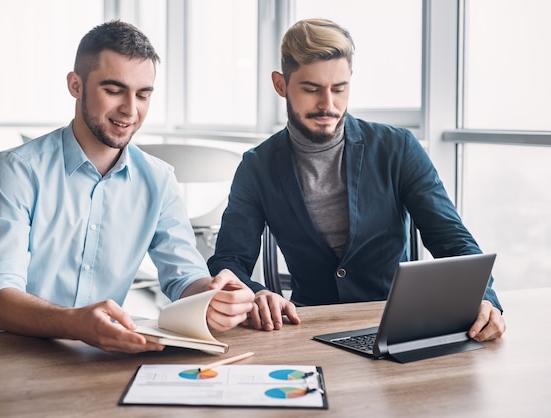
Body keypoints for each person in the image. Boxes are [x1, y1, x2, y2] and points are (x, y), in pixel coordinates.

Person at [207, 18, 506, 342]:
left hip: (397, 326)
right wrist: (254, 293)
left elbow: (452, 239)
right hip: (307, 326)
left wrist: (484, 298)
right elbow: (229, 259)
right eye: (311, 89)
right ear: (281, 85)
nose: (328, 105)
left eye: (339, 88)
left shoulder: (398, 148)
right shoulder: (257, 166)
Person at [0, 20, 254, 353]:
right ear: (76, 85)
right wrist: (75, 323)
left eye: (143, 94)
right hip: (7, 352)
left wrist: (215, 295)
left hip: (97, 357)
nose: (130, 110)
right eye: (114, 90)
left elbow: (184, 276)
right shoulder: (16, 170)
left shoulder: (159, 180)